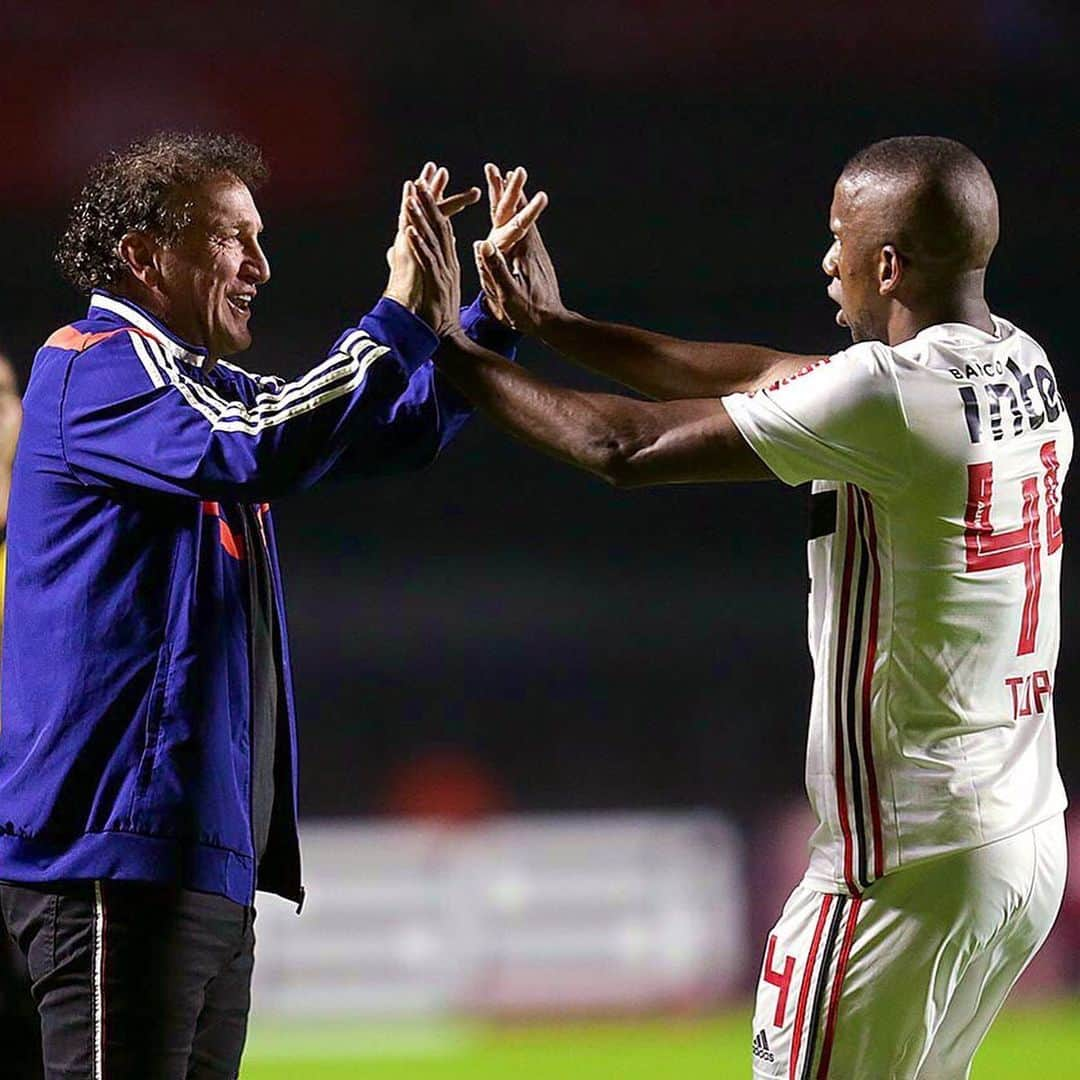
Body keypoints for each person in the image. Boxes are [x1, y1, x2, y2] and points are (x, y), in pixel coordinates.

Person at [403, 138, 1070, 1079]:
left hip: (900, 860)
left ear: (889, 264)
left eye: (840, 237)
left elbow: (618, 448)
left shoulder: (887, 393)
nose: (826, 259)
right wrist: (560, 324)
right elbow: (764, 374)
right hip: (1017, 837)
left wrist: (437, 341)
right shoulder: (1019, 364)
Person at [0, 132, 540, 1079]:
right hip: (111, 857)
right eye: (232, 238)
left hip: (198, 859)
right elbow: (267, 443)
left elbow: (388, 426)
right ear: (142, 254)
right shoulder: (96, 362)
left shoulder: (198, 388)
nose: (261, 264)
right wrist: (395, 311)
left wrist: (488, 317)